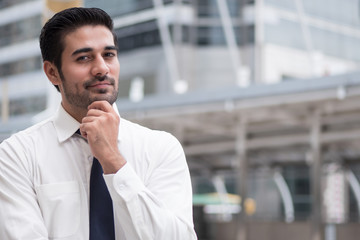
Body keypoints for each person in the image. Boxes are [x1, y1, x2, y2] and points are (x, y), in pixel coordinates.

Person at [0, 7, 197, 240]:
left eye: (109, 55)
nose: (102, 68)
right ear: (52, 72)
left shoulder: (161, 148)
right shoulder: (17, 156)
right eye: (84, 58)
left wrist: (113, 160)